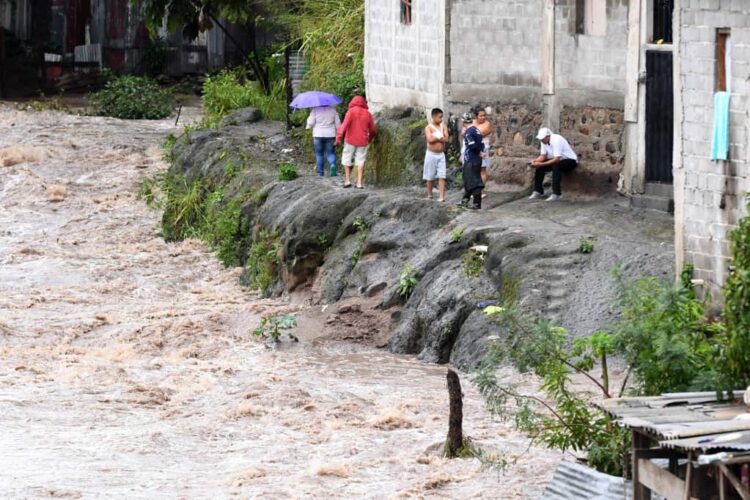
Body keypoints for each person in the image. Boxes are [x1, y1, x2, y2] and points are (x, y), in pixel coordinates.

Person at [335, 95, 377, 189]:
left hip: (350, 140)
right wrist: (369, 138)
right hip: (363, 141)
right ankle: (359, 183)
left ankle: (347, 180)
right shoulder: (368, 114)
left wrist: (338, 138)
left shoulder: (351, 112)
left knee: (346, 159)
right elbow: (373, 130)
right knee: (360, 161)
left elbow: (344, 126)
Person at [529, 127, 578, 201]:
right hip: (559, 160)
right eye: (541, 139)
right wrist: (535, 161)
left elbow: (556, 159)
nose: (541, 141)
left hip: (570, 160)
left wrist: (541, 164)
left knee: (556, 165)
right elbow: (543, 156)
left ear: (548, 136)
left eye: (543, 139)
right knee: (540, 166)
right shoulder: (543, 142)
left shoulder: (556, 139)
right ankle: (538, 191)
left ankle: (556, 193)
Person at [457, 112, 484, 209]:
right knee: (469, 180)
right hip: (476, 159)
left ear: (464, 122)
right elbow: (482, 144)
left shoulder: (469, 132)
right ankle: (465, 200)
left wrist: (478, 152)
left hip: (471, 160)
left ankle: (477, 203)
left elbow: (472, 145)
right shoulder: (477, 130)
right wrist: (481, 152)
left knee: (474, 181)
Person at [423, 108, 450, 201]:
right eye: (439, 117)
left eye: (442, 117)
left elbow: (447, 139)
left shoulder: (443, 126)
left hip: (441, 154)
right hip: (431, 154)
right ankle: (430, 195)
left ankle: (441, 197)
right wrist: (439, 137)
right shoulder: (428, 127)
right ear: (433, 117)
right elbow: (430, 140)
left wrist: (437, 137)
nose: (441, 119)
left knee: (442, 175)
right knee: (430, 176)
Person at [307, 105, 341, 177]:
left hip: (318, 135)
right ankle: (332, 165)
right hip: (330, 135)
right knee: (330, 153)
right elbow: (338, 125)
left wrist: (309, 124)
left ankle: (321, 173)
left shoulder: (315, 110)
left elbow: (310, 123)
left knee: (319, 154)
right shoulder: (333, 110)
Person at [473, 108, 493, 198]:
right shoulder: (473, 122)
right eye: (481, 116)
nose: (483, 117)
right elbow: (465, 132)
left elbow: (479, 134)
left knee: (482, 170)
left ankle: (480, 191)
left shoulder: (487, 124)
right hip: (473, 148)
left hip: (483, 148)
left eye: (484, 115)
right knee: (474, 170)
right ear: (476, 116)